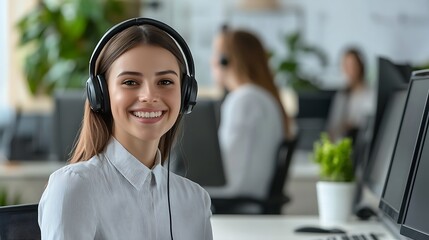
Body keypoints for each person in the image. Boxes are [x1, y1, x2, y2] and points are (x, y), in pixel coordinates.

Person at [38, 18, 213, 239]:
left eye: (165, 82)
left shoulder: (195, 200)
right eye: (130, 82)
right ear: (101, 94)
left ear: (186, 94)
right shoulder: (75, 188)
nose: (149, 96)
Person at [206, 26, 296, 209]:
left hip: (239, 205)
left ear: (226, 61)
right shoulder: (262, 98)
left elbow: (226, 174)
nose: (211, 61)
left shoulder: (244, 100)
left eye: (216, 54)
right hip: (249, 201)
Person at [326, 47, 375, 142]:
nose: (350, 69)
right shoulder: (341, 95)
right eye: (346, 65)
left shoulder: (370, 93)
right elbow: (332, 127)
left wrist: (352, 125)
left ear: (361, 66)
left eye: (353, 65)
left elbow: (370, 122)